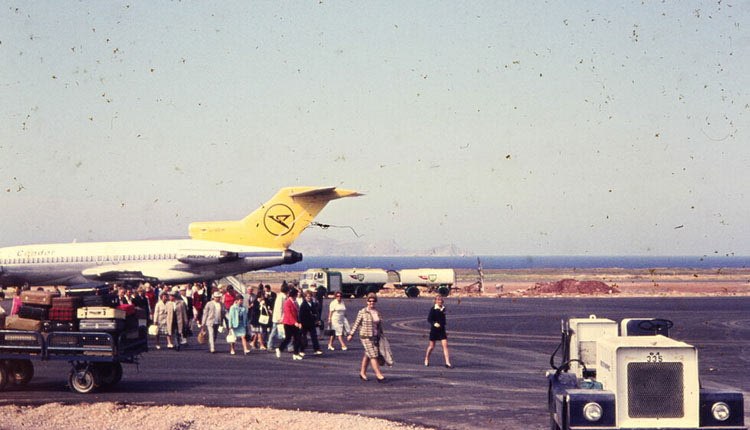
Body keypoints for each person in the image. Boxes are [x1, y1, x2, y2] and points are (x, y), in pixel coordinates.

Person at [348, 292, 386, 382]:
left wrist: (382, 335)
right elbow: (356, 323)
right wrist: (351, 334)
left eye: (373, 301)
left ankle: (362, 372)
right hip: (365, 336)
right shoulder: (362, 312)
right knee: (373, 355)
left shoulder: (377, 312)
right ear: (367, 301)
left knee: (368, 355)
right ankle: (378, 375)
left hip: (375, 336)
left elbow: (379, 325)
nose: (371, 303)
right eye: (370, 301)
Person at [424, 295, 453, 368]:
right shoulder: (433, 309)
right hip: (434, 330)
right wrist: (434, 323)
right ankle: (427, 358)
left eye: (441, 300)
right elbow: (429, 319)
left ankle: (447, 362)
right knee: (432, 346)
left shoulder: (443, 308)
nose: (440, 301)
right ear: (436, 301)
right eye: (438, 300)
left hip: (442, 329)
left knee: (445, 345)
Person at [276, 288, 303, 360]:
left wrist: (298, 322)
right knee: (288, 338)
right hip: (288, 323)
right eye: (296, 295)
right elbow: (288, 314)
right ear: (293, 295)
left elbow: (297, 313)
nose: (297, 296)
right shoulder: (287, 302)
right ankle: (279, 349)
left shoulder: (295, 302)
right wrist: (295, 322)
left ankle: (296, 354)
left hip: (295, 322)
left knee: (297, 338)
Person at [299, 290, 322, 355]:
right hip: (304, 323)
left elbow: (316, 312)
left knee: (314, 336)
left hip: (311, 323)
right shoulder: (303, 305)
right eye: (307, 296)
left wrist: (318, 320)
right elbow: (300, 315)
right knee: (304, 337)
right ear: (305, 297)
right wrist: (300, 323)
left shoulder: (312, 304)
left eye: (310, 296)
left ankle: (316, 349)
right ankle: (301, 351)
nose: (309, 297)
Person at [268, 283, 288, 350]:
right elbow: (279, 308)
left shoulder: (281, 296)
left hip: (278, 317)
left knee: (274, 332)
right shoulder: (281, 297)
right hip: (278, 318)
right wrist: (281, 318)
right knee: (274, 332)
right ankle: (270, 345)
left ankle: (270, 345)